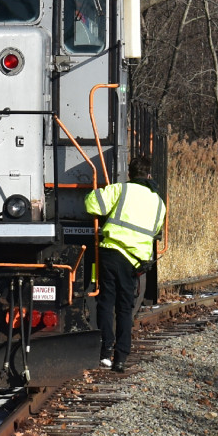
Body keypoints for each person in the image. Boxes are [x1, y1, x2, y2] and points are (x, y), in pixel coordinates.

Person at [84, 157, 166, 372]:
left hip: (111, 253)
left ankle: (104, 351)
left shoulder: (120, 190)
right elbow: (156, 230)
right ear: (149, 175)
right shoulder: (159, 202)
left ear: (129, 174)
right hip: (136, 261)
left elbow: (92, 204)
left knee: (105, 302)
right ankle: (121, 357)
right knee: (124, 308)